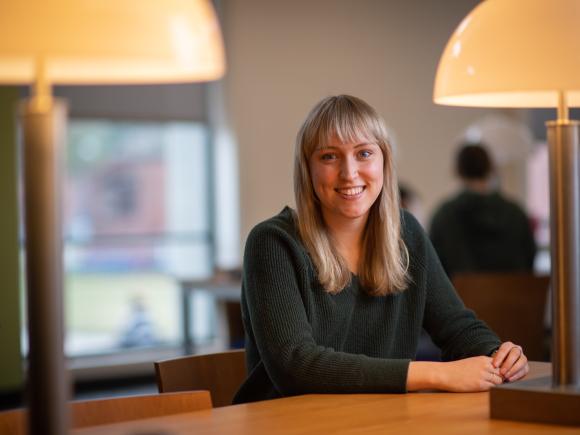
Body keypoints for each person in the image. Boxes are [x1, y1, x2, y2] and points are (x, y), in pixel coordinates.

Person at [233, 95, 528, 404]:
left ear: (384, 162)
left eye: (364, 153)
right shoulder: (272, 243)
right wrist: (438, 374)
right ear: (307, 168)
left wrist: (498, 354)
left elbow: (457, 327)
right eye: (329, 157)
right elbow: (296, 366)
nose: (349, 173)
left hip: (377, 419)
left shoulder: (407, 233)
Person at [429, 143, 536, 278]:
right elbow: (529, 259)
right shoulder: (516, 213)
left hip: (462, 297)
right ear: (490, 168)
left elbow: (434, 268)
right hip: (513, 296)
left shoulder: (445, 215)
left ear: (458, 170)